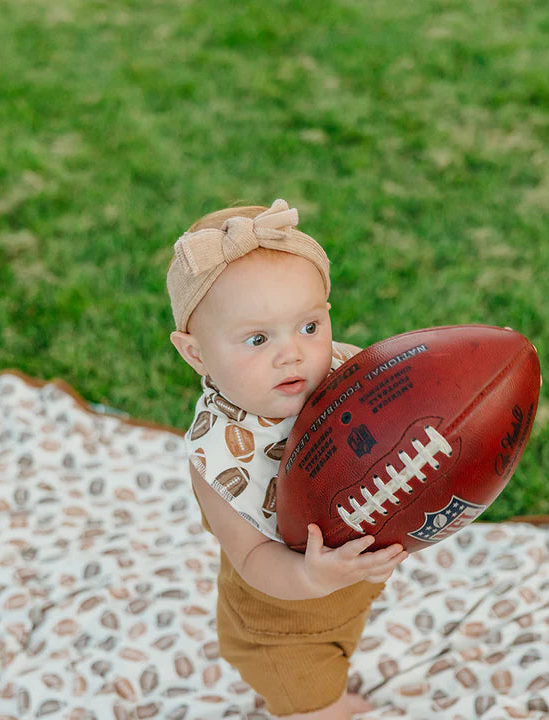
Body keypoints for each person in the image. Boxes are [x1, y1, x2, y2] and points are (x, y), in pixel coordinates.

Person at [167, 199, 410, 719]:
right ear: (196, 354)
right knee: (311, 702)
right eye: (257, 338)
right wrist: (314, 580)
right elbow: (253, 558)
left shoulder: (343, 372)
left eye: (308, 327)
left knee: (337, 653)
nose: (293, 354)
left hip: (346, 592)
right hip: (282, 623)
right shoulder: (217, 458)